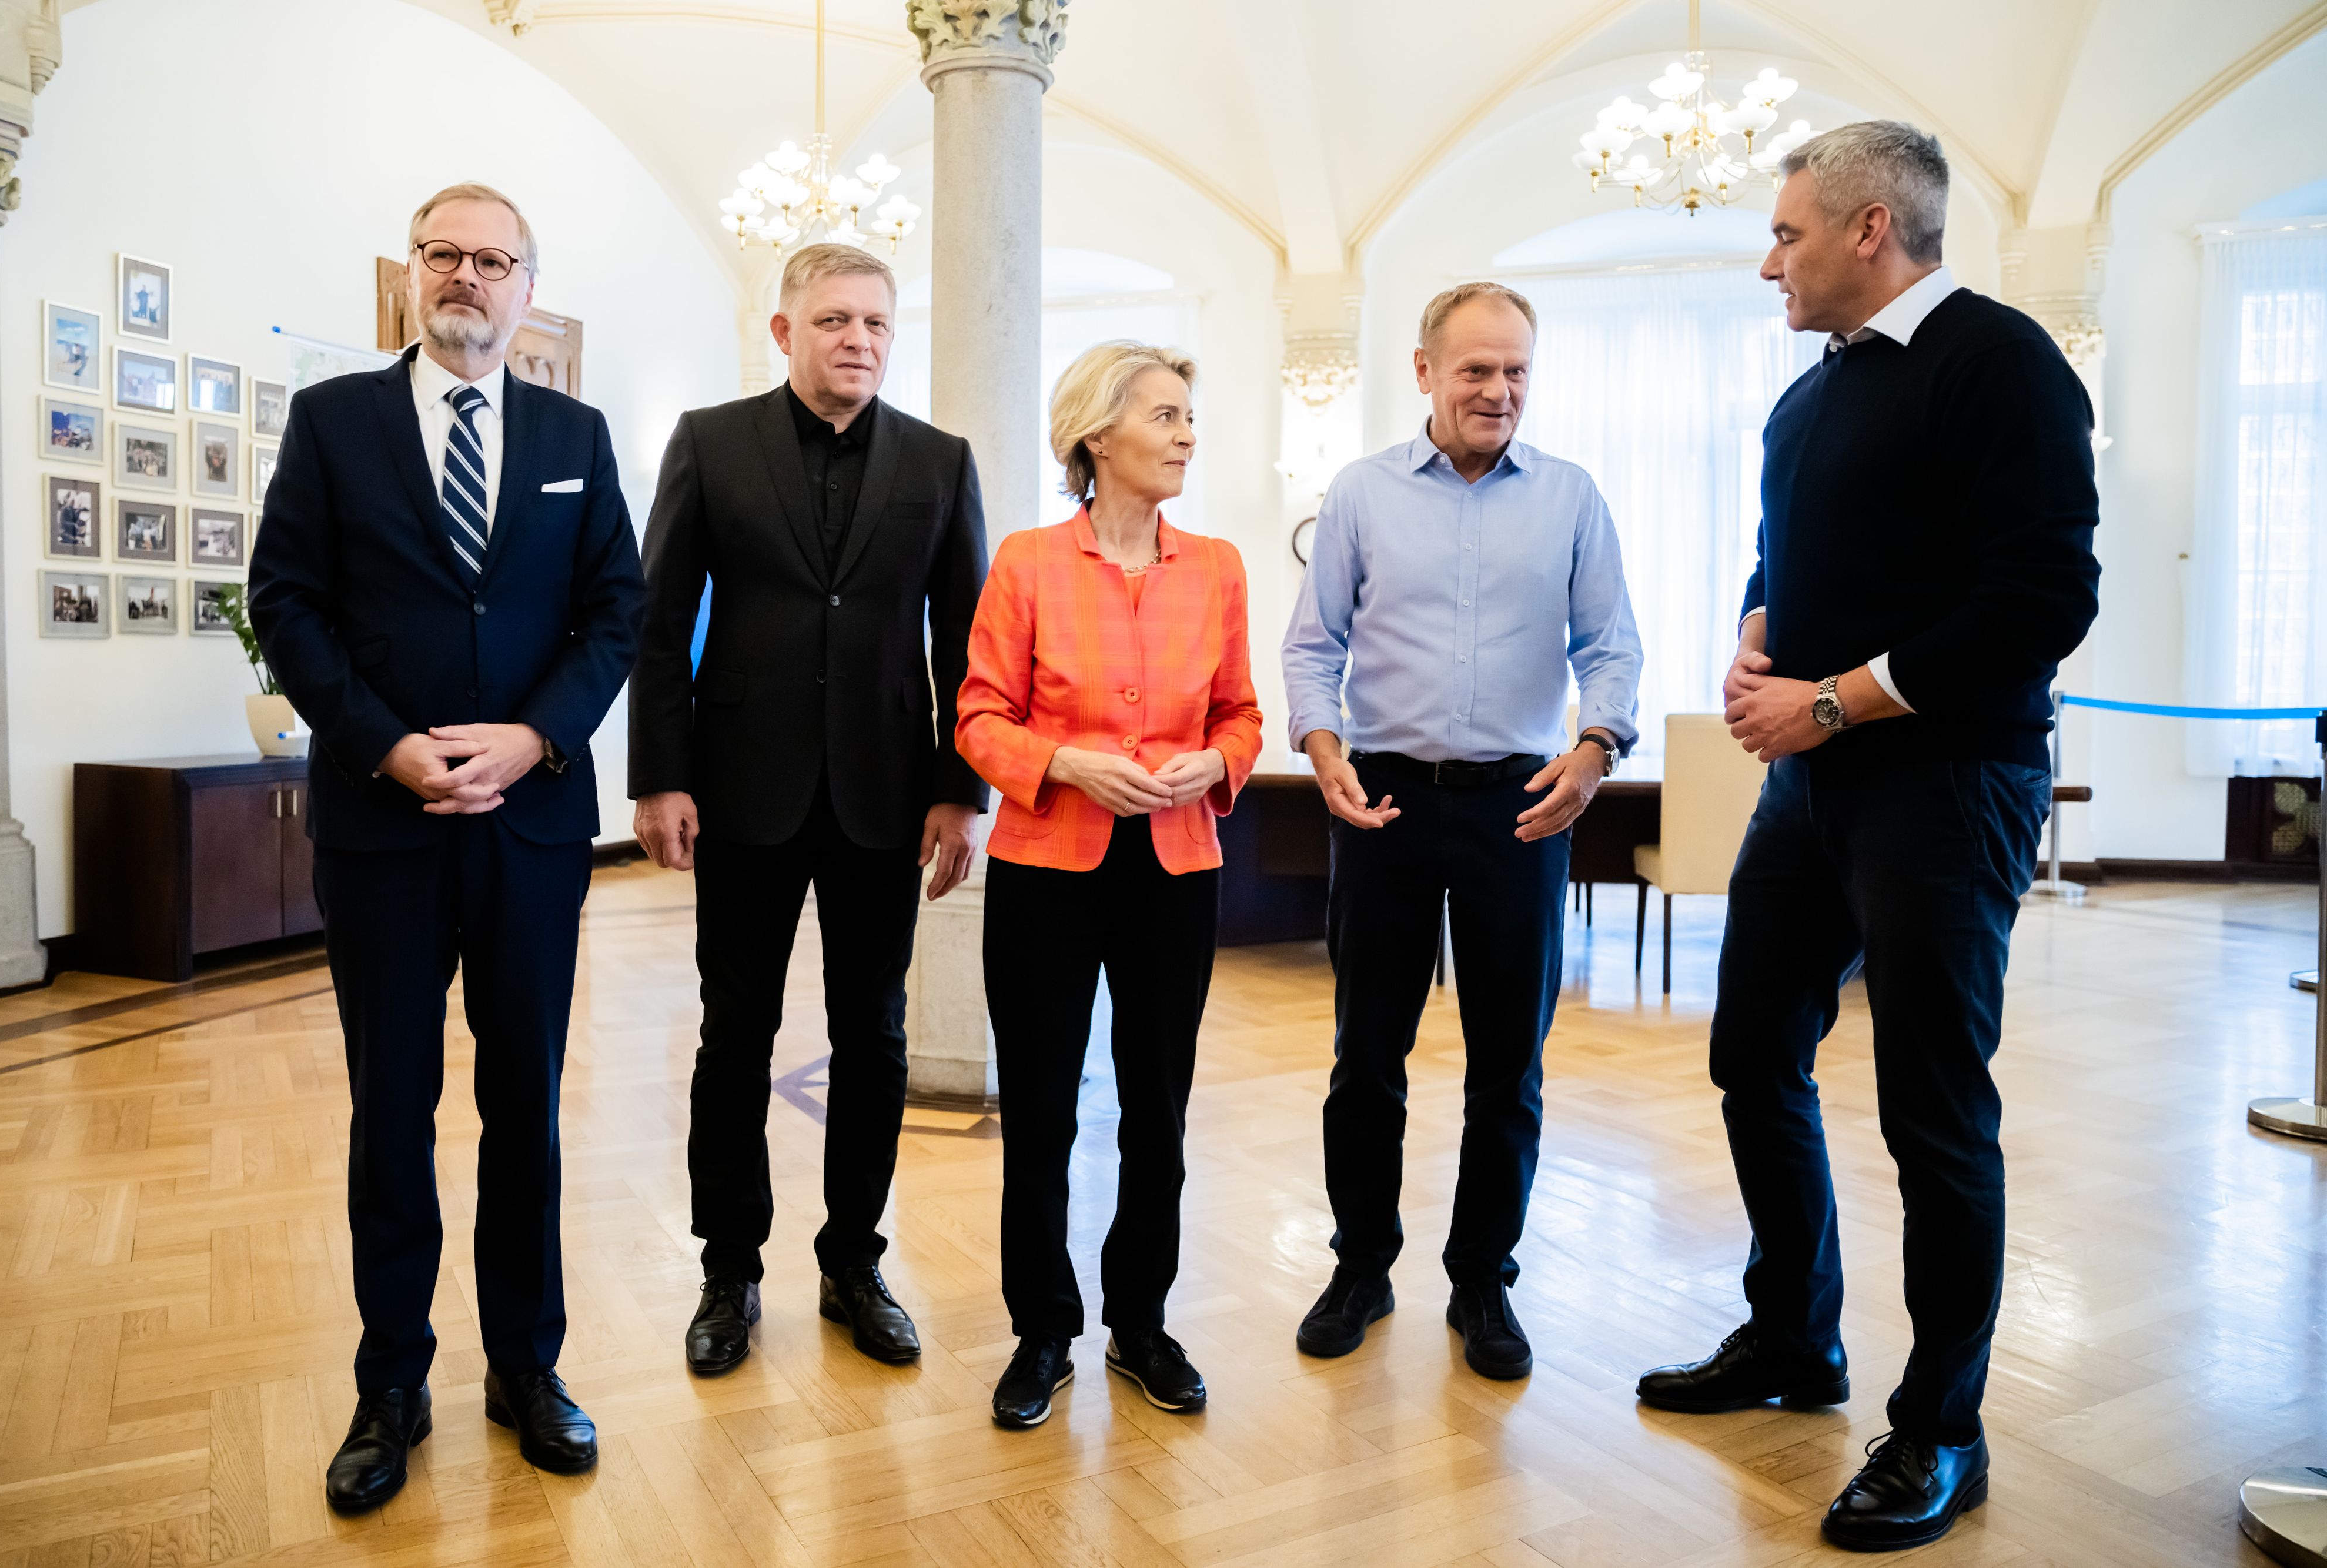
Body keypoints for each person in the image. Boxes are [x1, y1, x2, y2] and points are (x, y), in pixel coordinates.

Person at [1633, 122, 2100, 1553]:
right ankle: (1794, 1336)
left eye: (1783, 233)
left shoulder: (2000, 361)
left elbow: (2041, 600)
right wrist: (1753, 629)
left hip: (1945, 783)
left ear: (1867, 229)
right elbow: (1786, 547)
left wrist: (1831, 701)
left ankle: (1939, 1429)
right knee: (1748, 1051)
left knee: (1931, 1111)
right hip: (1817, 783)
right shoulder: (1811, 393)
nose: (1763, 257)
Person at [248, 183, 643, 1509]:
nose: (468, 277)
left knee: (523, 1108)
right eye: (446, 256)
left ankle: (528, 1368)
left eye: (494, 260)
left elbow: (614, 614)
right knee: (392, 1113)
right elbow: (285, 602)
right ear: (410, 276)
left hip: (530, 830)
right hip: (385, 825)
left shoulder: (576, 433)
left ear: (528, 287)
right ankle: (390, 1381)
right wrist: (383, 741)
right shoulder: (333, 421)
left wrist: (535, 738)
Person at [628, 243, 987, 1374]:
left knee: (872, 1040)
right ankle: (728, 1271)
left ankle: (852, 1262)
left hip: (886, 796)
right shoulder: (709, 442)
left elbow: (965, 642)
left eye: (878, 324)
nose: (860, 342)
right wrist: (659, 773)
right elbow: (658, 617)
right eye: (836, 320)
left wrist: (960, 790)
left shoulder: (940, 460)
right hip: (740, 790)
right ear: (785, 333)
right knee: (735, 1037)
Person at [1280, 282, 1642, 1382]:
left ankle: (1483, 1281)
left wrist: (1594, 752)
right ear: (1426, 372)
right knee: (1366, 1057)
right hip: (1383, 801)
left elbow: (1612, 647)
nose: (1499, 390)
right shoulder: (1359, 493)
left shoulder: (1573, 497)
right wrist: (1324, 749)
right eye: (1477, 369)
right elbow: (1312, 649)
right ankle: (1361, 1265)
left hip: (1520, 808)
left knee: (1509, 1064)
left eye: (1517, 370)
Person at [955, 341, 1262, 1429]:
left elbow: (1241, 715)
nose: (1187, 434)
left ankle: (1141, 1324)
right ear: (1098, 435)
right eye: (1167, 416)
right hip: (1047, 870)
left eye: (1190, 416)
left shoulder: (1217, 565)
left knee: (1156, 1114)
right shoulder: (1030, 562)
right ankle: (1043, 1332)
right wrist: (1060, 764)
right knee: (1039, 1117)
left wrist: (1213, 763)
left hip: (1174, 871)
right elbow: (979, 716)